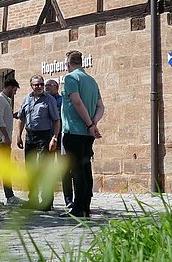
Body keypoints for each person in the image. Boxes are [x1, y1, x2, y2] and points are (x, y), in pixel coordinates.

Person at [61, 50, 103, 218]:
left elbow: (77, 102)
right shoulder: (92, 81)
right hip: (87, 134)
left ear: (68, 64)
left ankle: (78, 208)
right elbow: (101, 107)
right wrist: (93, 124)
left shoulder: (71, 78)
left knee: (77, 170)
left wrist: (88, 123)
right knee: (86, 169)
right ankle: (85, 207)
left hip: (74, 131)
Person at [17, 75, 61, 210]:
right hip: (30, 135)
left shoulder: (49, 100)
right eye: (36, 85)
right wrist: (18, 135)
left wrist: (54, 138)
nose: (39, 87)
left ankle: (47, 201)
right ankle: (33, 199)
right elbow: (21, 118)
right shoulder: (26, 99)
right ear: (31, 86)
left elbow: (56, 120)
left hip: (45, 136)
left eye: (41, 84)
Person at [0, 77, 21, 207]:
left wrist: (12, 115)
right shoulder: (0, 99)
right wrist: (6, 136)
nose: (15, 92)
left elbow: (3, 116)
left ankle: (10, 196)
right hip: (0, 139)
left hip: (3, 139)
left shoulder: (5, 100)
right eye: (15, 90)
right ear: (10, 87)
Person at [45, 78, 72, 209]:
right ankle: (48, 201)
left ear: (56, 87)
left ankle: (68, 200)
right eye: (46, 85)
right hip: (46, 138)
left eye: (49, 85)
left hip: (61, 138)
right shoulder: (43, 100)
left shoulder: (61, 101)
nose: (46, 87)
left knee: (64, 170)